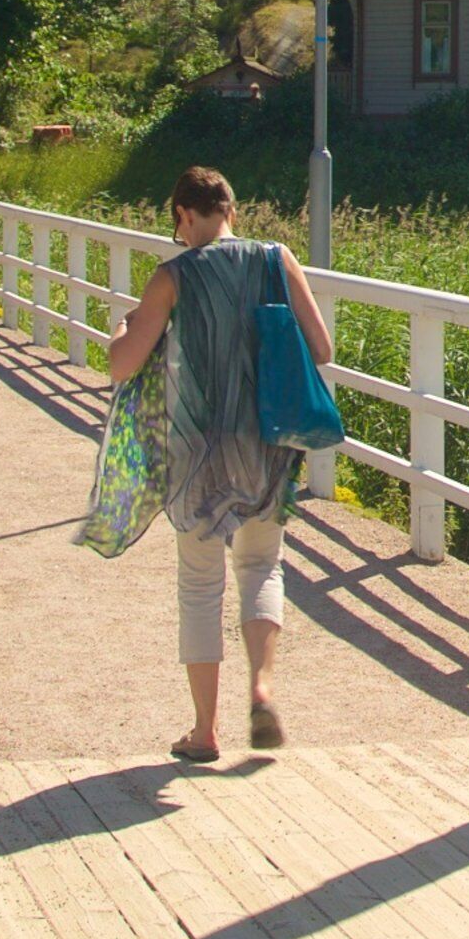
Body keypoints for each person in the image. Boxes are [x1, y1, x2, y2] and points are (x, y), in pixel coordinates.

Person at [103, 165, 332, 763]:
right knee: (262, 566)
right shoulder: (276, 257)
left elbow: (123, 365)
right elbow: (322, 348)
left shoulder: (172, 276)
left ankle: (204, 731)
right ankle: (261, 688)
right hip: (266, 445)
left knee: (200, 585)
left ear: (183, 215)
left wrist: (122, 328)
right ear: (231, 208)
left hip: (196, 451)